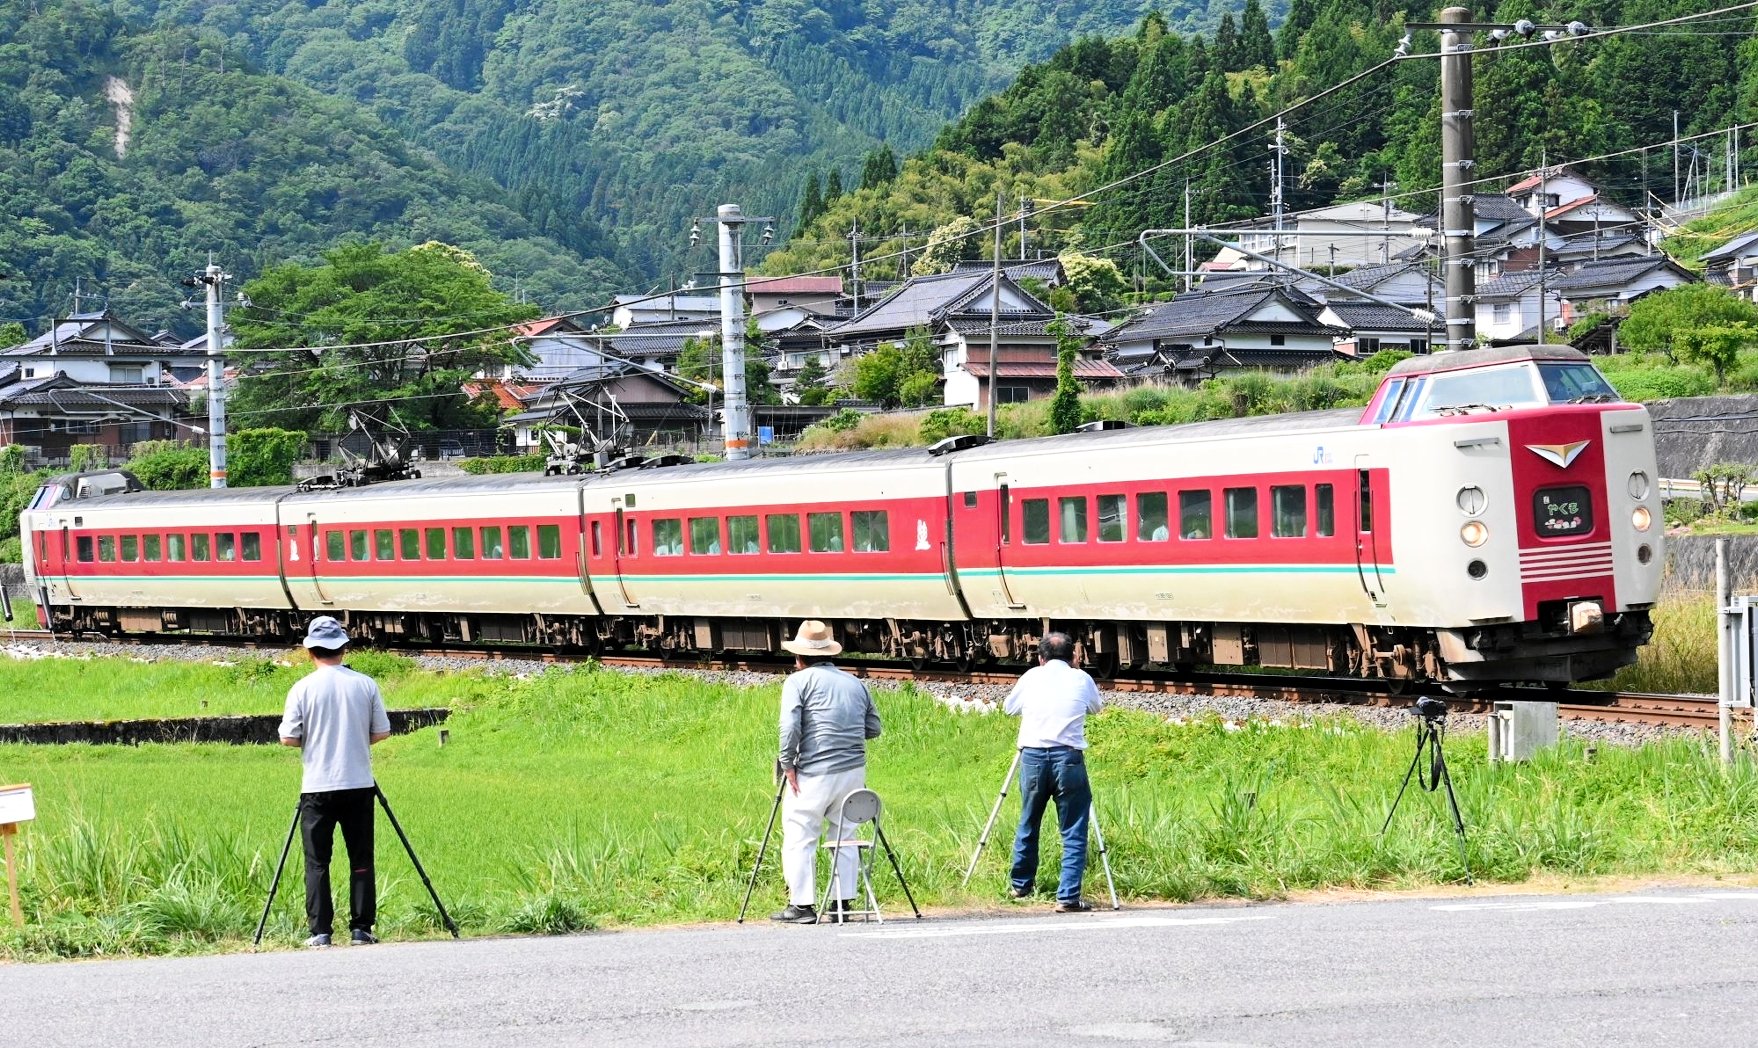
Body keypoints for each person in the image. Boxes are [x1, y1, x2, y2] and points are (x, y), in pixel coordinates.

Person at [277, 616, 392, 948]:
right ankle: (361, 929)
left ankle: (321, 932)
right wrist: (354, 738)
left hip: (316, 787)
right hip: (358, 783)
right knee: (360, 858)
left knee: (317, 862)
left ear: (310, 651)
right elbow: (381, 731)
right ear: (343, 648)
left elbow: (288, 738)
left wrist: (316, 739)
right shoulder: (365, 684)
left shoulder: (301, 689)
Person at [771, 619, 882, 924]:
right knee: (845, 834)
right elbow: (873, 728)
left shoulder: (797, 682)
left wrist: (787, 765)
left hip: (813, 772)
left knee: (800, 835)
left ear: (799, 658)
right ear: (830, 654)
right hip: (853, 772)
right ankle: (842, 904)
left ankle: (802, 905)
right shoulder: (855, 682)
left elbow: (790, 726)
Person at [1004, 631, 1104, 913]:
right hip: (1068, 759)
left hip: (1033, 757)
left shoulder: (1031, 676)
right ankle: (1068, 896)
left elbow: (1008, 708)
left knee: (1028, 821)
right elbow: (1097, 708)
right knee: (1073, 828)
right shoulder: (1081, 678)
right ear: (1074, 657)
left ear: (1040, 657)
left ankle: (1020, 885)